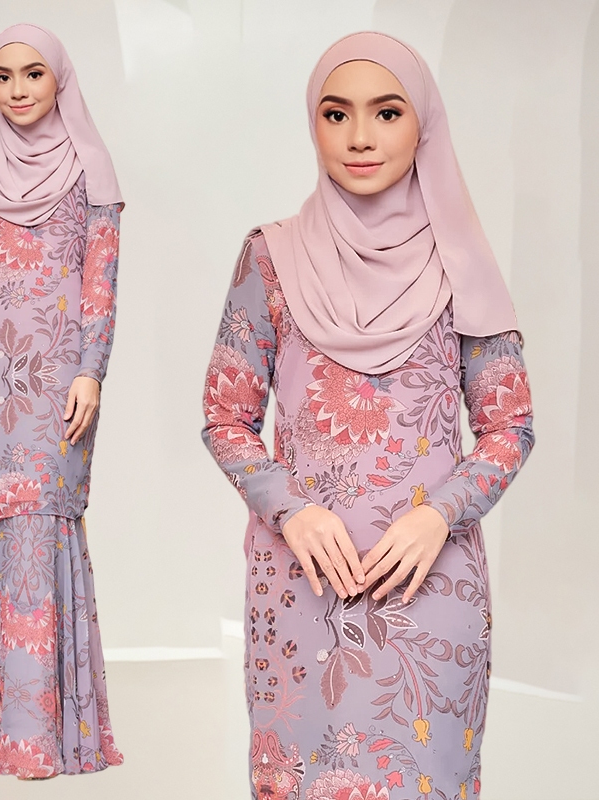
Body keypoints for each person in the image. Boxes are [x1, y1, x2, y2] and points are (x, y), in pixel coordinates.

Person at [201, 32, 534, 799]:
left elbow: (509, 426)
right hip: (301, 587)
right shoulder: (270, 257)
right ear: (313, 124)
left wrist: (438, 516)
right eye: (335, 113)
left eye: (387, 113)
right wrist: (292, 511)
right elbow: (225, 416)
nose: (359, 137)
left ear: (423, 124)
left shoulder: (461, 262)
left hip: (430, 588)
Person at [0, 23, 124, 779]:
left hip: (55, 379)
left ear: (58, 79)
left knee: (43, 524)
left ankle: (42, 736)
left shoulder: (89, 168)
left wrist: (91, 371)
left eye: (33, 73)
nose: (17, 90)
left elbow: (100, 282)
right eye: (2, 76)